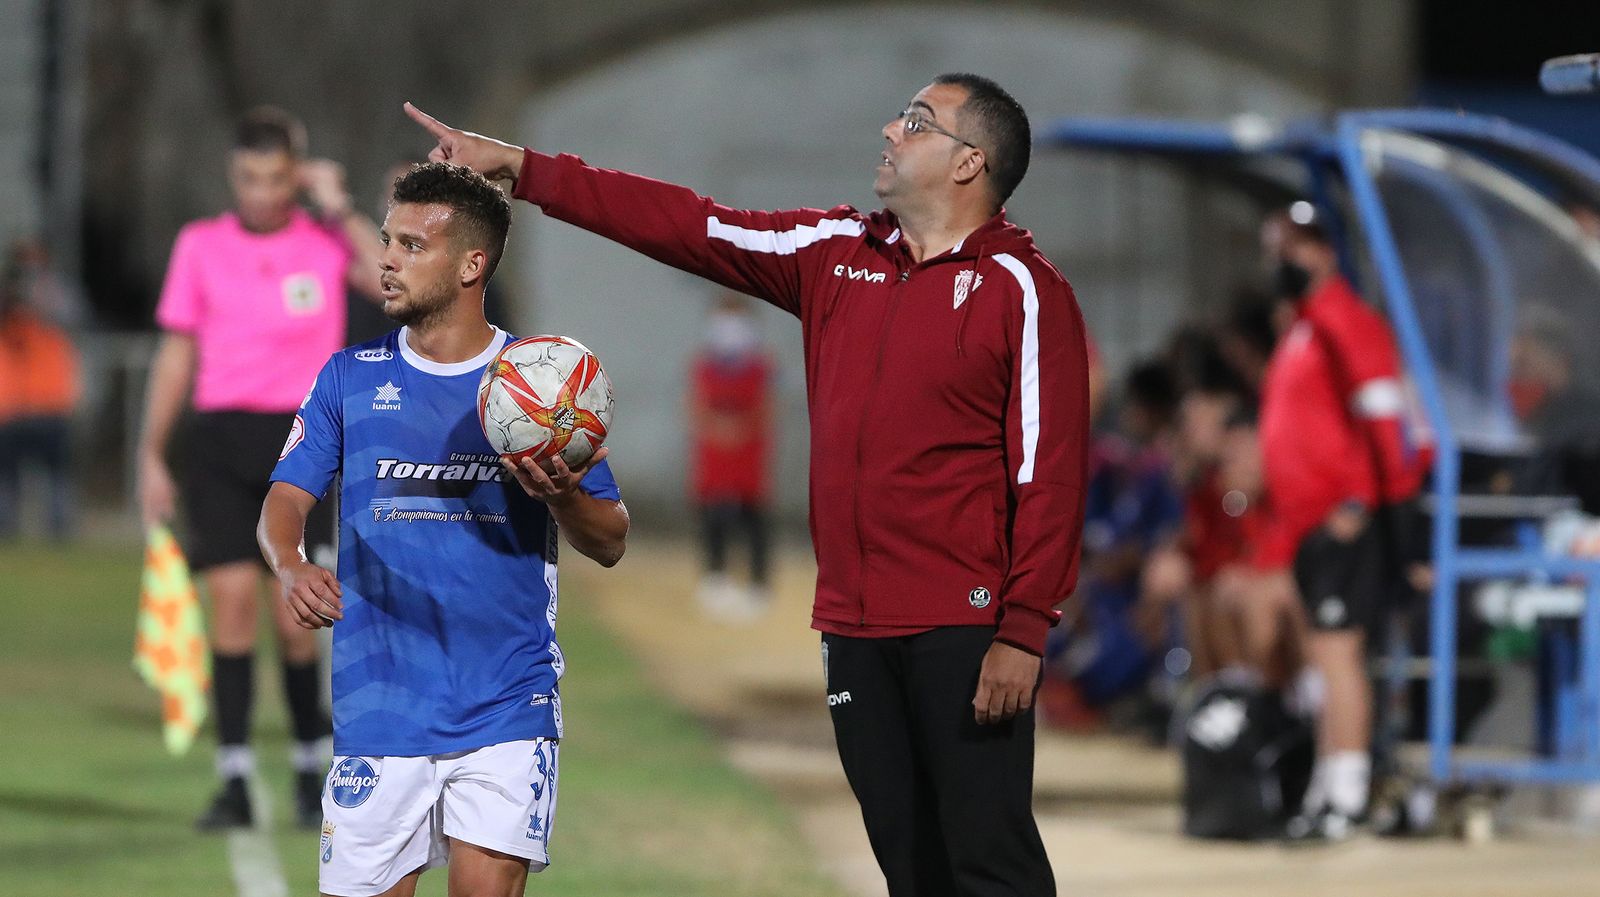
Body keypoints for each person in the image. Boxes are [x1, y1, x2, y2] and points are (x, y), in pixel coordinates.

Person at [406, 70, 1088, 896]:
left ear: (970, 161)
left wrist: (1023, 630)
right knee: (911, 867)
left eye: (917, 122)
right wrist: (525, 168)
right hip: (855, 625)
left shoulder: (1024, 288)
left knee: (990, 865)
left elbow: (1049, 472)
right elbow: (691, 225)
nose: (890, 129)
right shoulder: (837, 251)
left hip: (966, 624)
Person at [260, 162, 628, 897]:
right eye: (387, 240)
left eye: (411, 245)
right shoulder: (349, 378)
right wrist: (291, 564)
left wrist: (561, 497)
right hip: (379, 709)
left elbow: (610, 538)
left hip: (506, 706)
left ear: (471, 264)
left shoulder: (538, 387)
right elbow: (284, 500)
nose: (386, 260)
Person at [136, 106, 385, 830]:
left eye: (277, 179)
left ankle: (310, 768)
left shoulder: (324, 240)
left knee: (297, 614)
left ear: (296, 175)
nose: (262, 193)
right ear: (232, 175)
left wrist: (338, 206)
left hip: (302, 443)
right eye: (249, 178)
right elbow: (177, 353)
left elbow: (385, 279)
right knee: (233, 608)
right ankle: (235, 777)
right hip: (218, 444)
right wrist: (151, 453)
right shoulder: (200, 245)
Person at [1258, 202, 1425, 842]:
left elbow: (1386, 422)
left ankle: (1347, 797)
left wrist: (1368, 507)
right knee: (1320, 657)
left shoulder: (1345, 321)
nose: (1285, 260)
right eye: (1278, 248)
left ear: (1327, 251)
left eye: (1297, 246)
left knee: (1338, 655)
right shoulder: (1303, 327)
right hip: (1306, 526)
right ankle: (1327, 788)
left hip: (1342, 522)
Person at [688, 292, 776, 620]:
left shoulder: (760, 366)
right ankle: (715, 577)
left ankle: (758, 583)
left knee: (754, 516)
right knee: (713, 515)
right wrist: (717, 428)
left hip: (749, 452)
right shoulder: (704, 365)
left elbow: (768, 407)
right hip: (714, 452)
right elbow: (695, 406)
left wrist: (740, 429)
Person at [0, 276, 80, 540]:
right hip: (49, 411)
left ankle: (6, 525)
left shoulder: (10, 335)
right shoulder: (51, 335)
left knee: (8, 477)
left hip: (14, 414)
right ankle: (58, 526)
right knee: (56, 474)